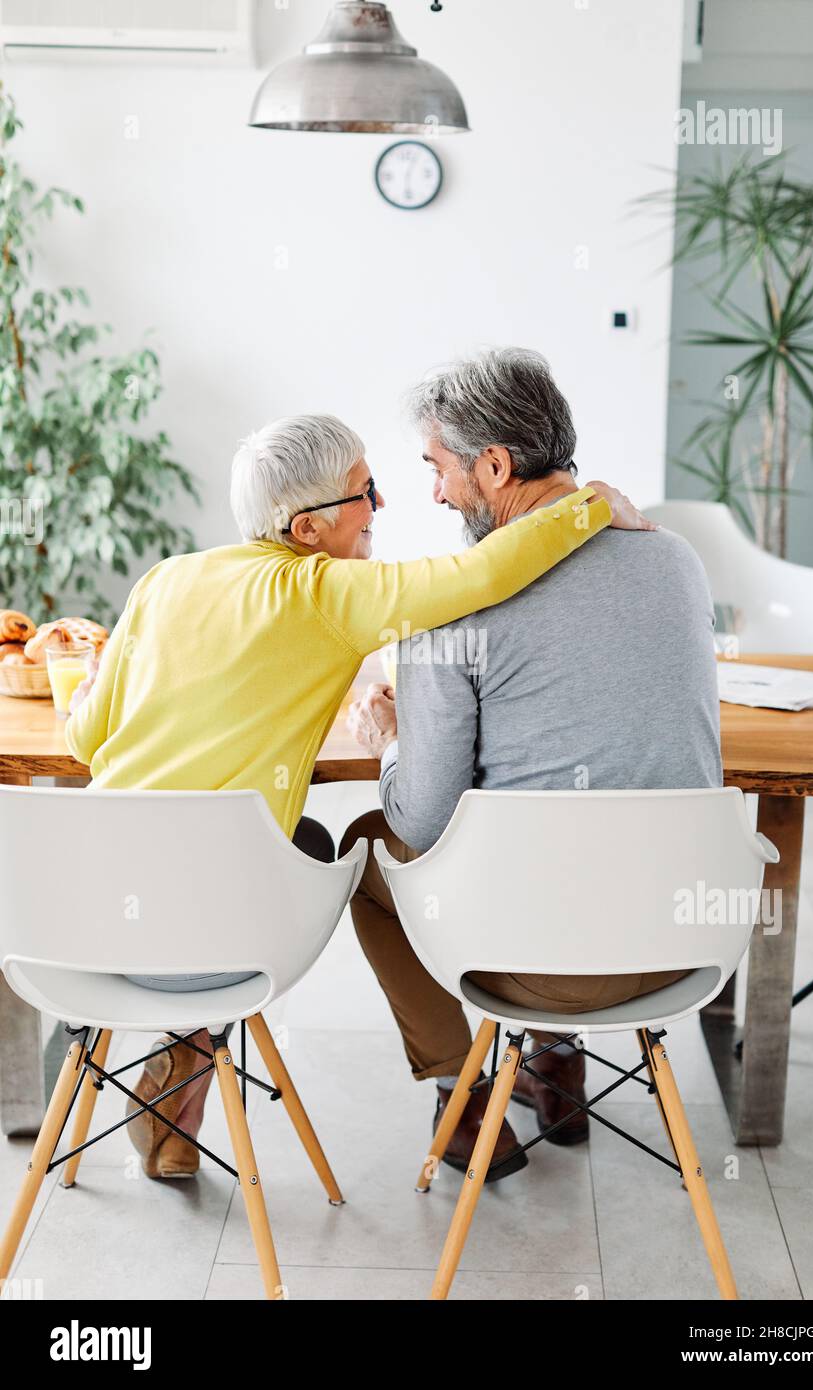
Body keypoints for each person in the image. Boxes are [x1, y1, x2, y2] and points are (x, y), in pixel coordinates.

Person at [65, 408, 649, 1177]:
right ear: (307, 529)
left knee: (256, 847)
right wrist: (591, 503)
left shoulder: (164, 580)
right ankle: (202, 1056)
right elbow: (483, 575)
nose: (382, 506)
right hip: (217, 948)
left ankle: (179, 1084)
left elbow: (85, 740)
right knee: (323, 845)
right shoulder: (327, 593)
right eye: (366, 492)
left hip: (96, 928)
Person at [342, 348, 721, 1182]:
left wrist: (394, 743)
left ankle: (464, 1090)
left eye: (437, 469)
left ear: (496, 465)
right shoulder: (678, 561)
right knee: (572, 802)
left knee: (371, 844)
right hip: (679, 942)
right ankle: (554, 1065)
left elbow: (423, 821)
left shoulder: (448, 605)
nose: (434, 493)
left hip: (539, 961)